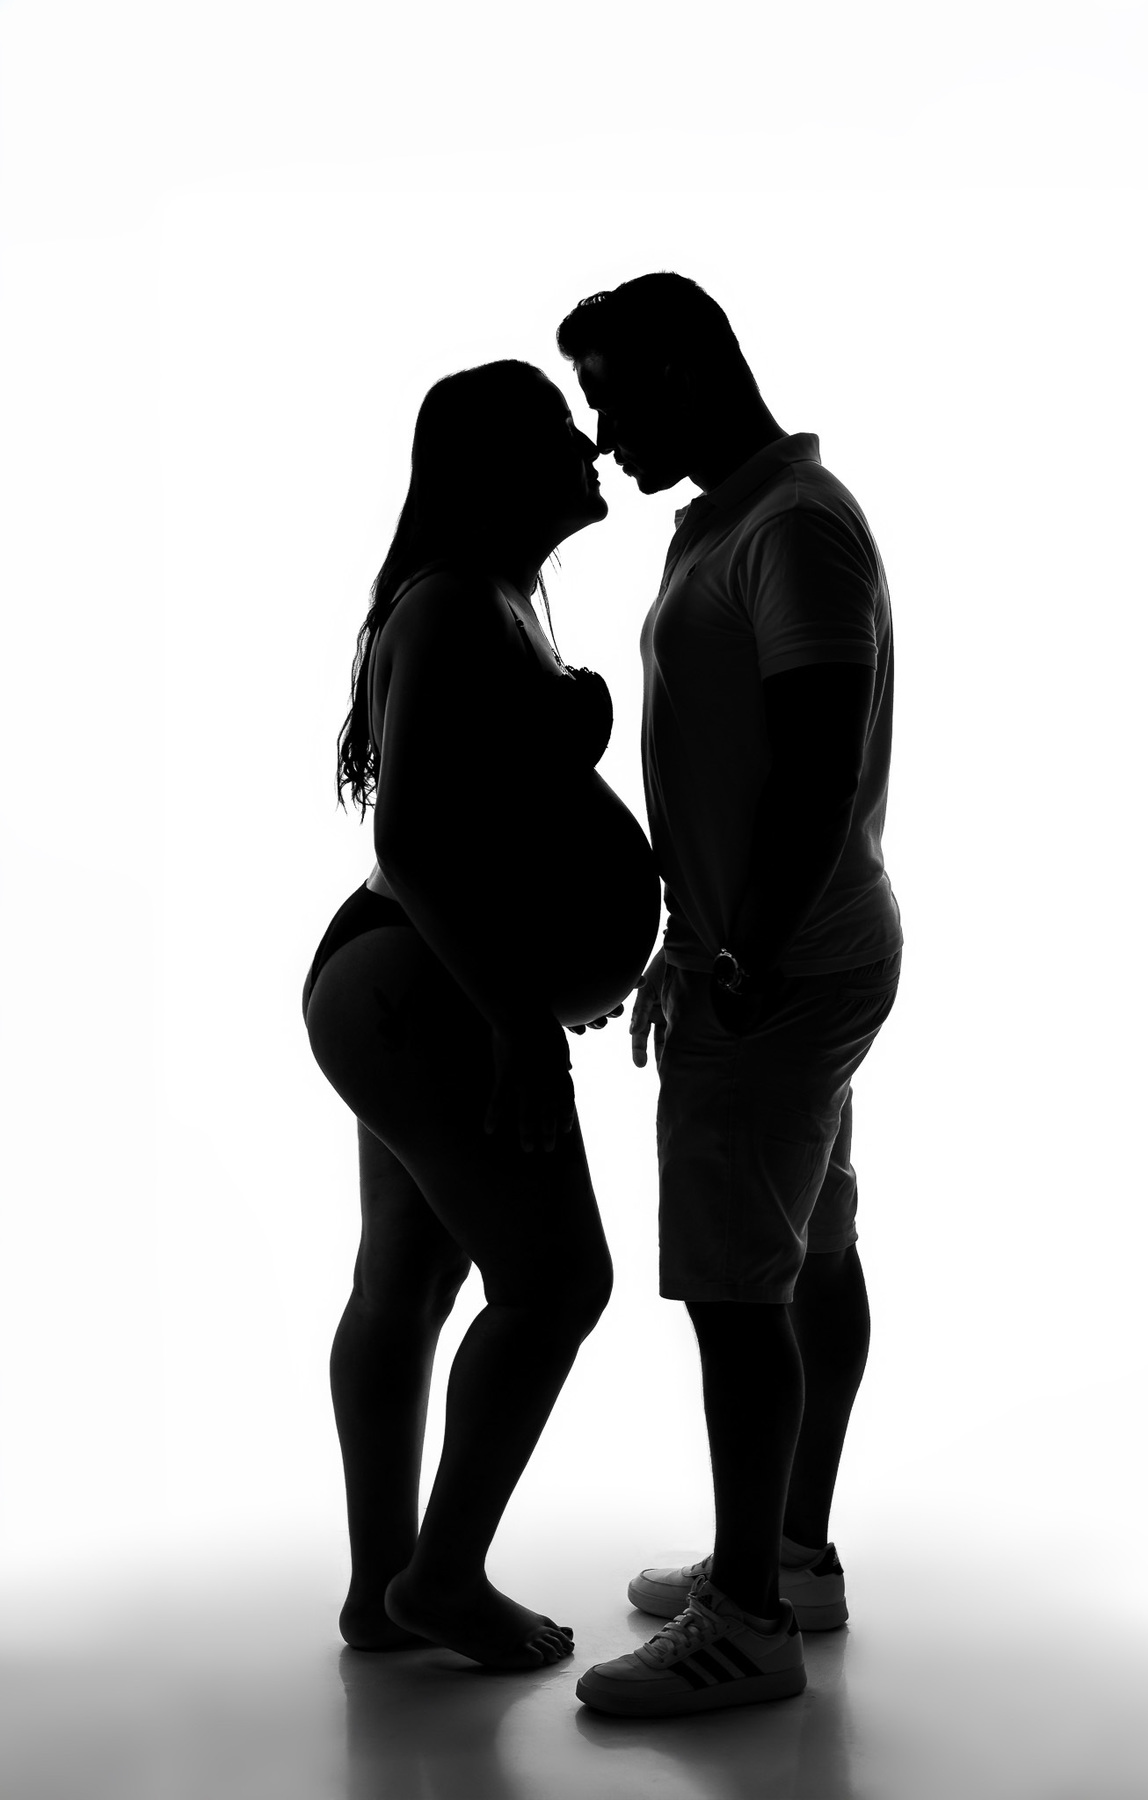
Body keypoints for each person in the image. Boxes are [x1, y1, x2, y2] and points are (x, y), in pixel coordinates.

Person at [556, 275, 903, 1718]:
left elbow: (819, 764)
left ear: (686, 372)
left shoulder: (792, 528)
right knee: (808, 1248)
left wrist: (741, 952)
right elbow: (745, 767)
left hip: (785, 963)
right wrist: (700, 937)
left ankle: (748, 1621)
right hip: (785, 949)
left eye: (612, 399)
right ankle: (790, 1554)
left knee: (737, 1288)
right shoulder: (732, 519)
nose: (599, 437)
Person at [302, 359, 659, 1670]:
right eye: (559, 430)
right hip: (426, 990)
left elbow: (493, 824)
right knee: (557, 1281)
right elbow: (410, 840)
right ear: (498, 466)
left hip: (406, 985)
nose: (589, 447)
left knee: (406, 1281)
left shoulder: (492, 597)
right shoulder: (456, 602)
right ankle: (443, 1580)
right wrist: (515, 1018)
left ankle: (380, 1591)